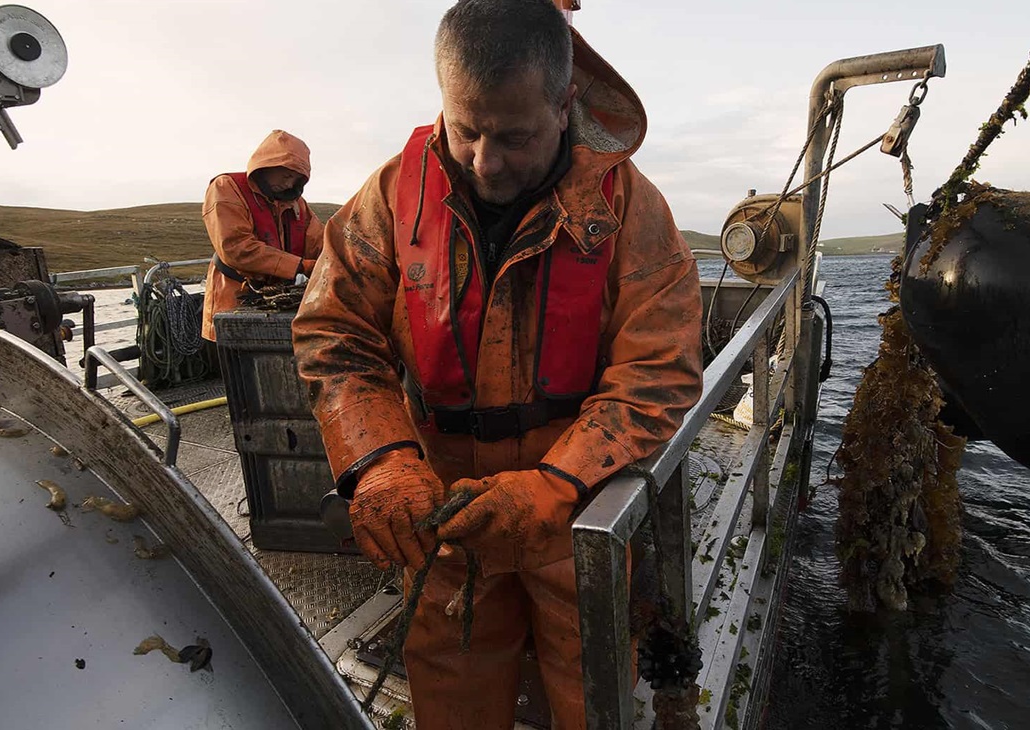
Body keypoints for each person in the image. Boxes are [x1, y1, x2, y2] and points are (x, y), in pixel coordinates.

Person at [292, 0, 703, 726]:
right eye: (466, 130)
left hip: (576, 509)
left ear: (565, 103)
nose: (485, 161)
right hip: (442, 505)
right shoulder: (390, 193)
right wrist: (382, 459)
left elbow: (659, 370)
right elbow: (335, 332)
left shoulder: (632, 207)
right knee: (450, 682)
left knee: (590, 682)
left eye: (514, 136)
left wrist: (558, 483)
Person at [200, 129, 324, 341]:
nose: (288, 184)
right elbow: (237, 249)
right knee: (237, 366)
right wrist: (301, 267)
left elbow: (321, 242)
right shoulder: (226, 188)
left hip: (280, 303)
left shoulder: (297, 205)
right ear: (267, 166)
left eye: (295, 180)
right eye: (286, 176)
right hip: (234, 300)